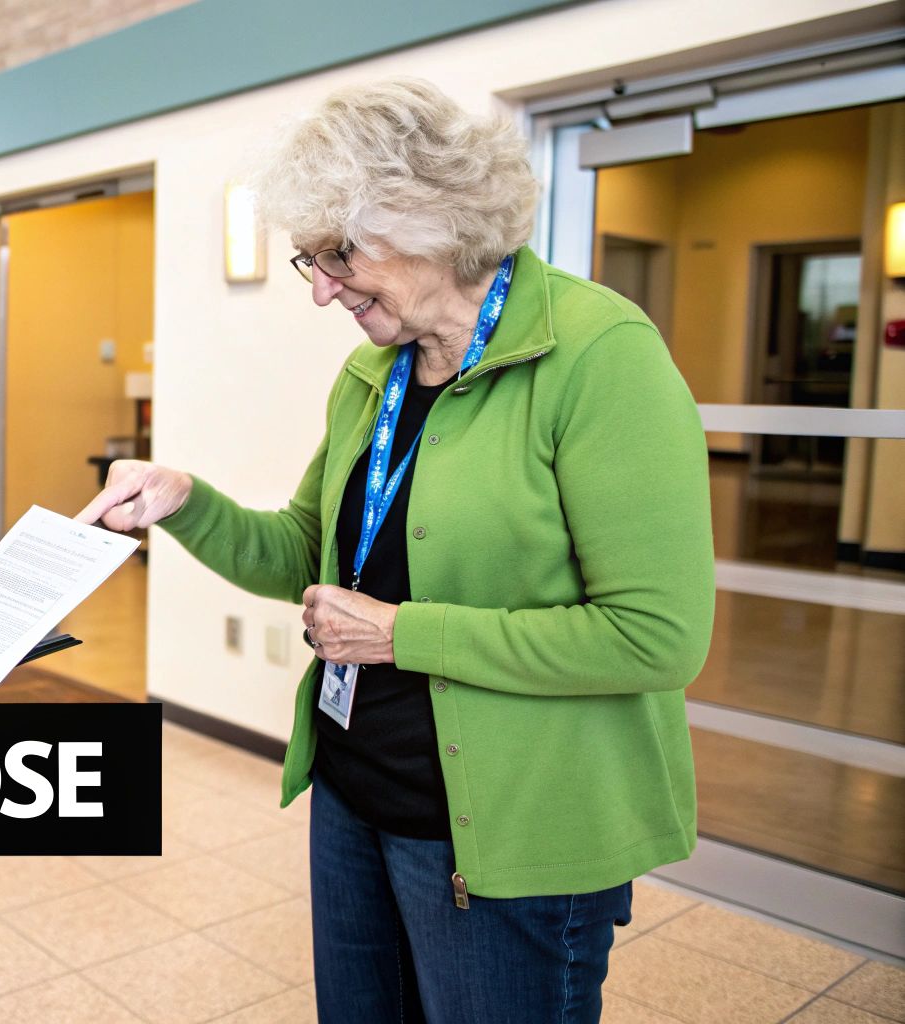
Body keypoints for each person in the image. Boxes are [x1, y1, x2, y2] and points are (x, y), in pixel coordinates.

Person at [77, 78, 714, 1024]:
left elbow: (655, 638)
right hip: (354, 791)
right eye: (310, 259)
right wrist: (185, 502)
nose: (323, 288)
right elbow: (307, 551)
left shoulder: (599, 354)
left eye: (339, 253)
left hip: (509, 827)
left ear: (430, 217)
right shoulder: (373, 374)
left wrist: (403, 635)